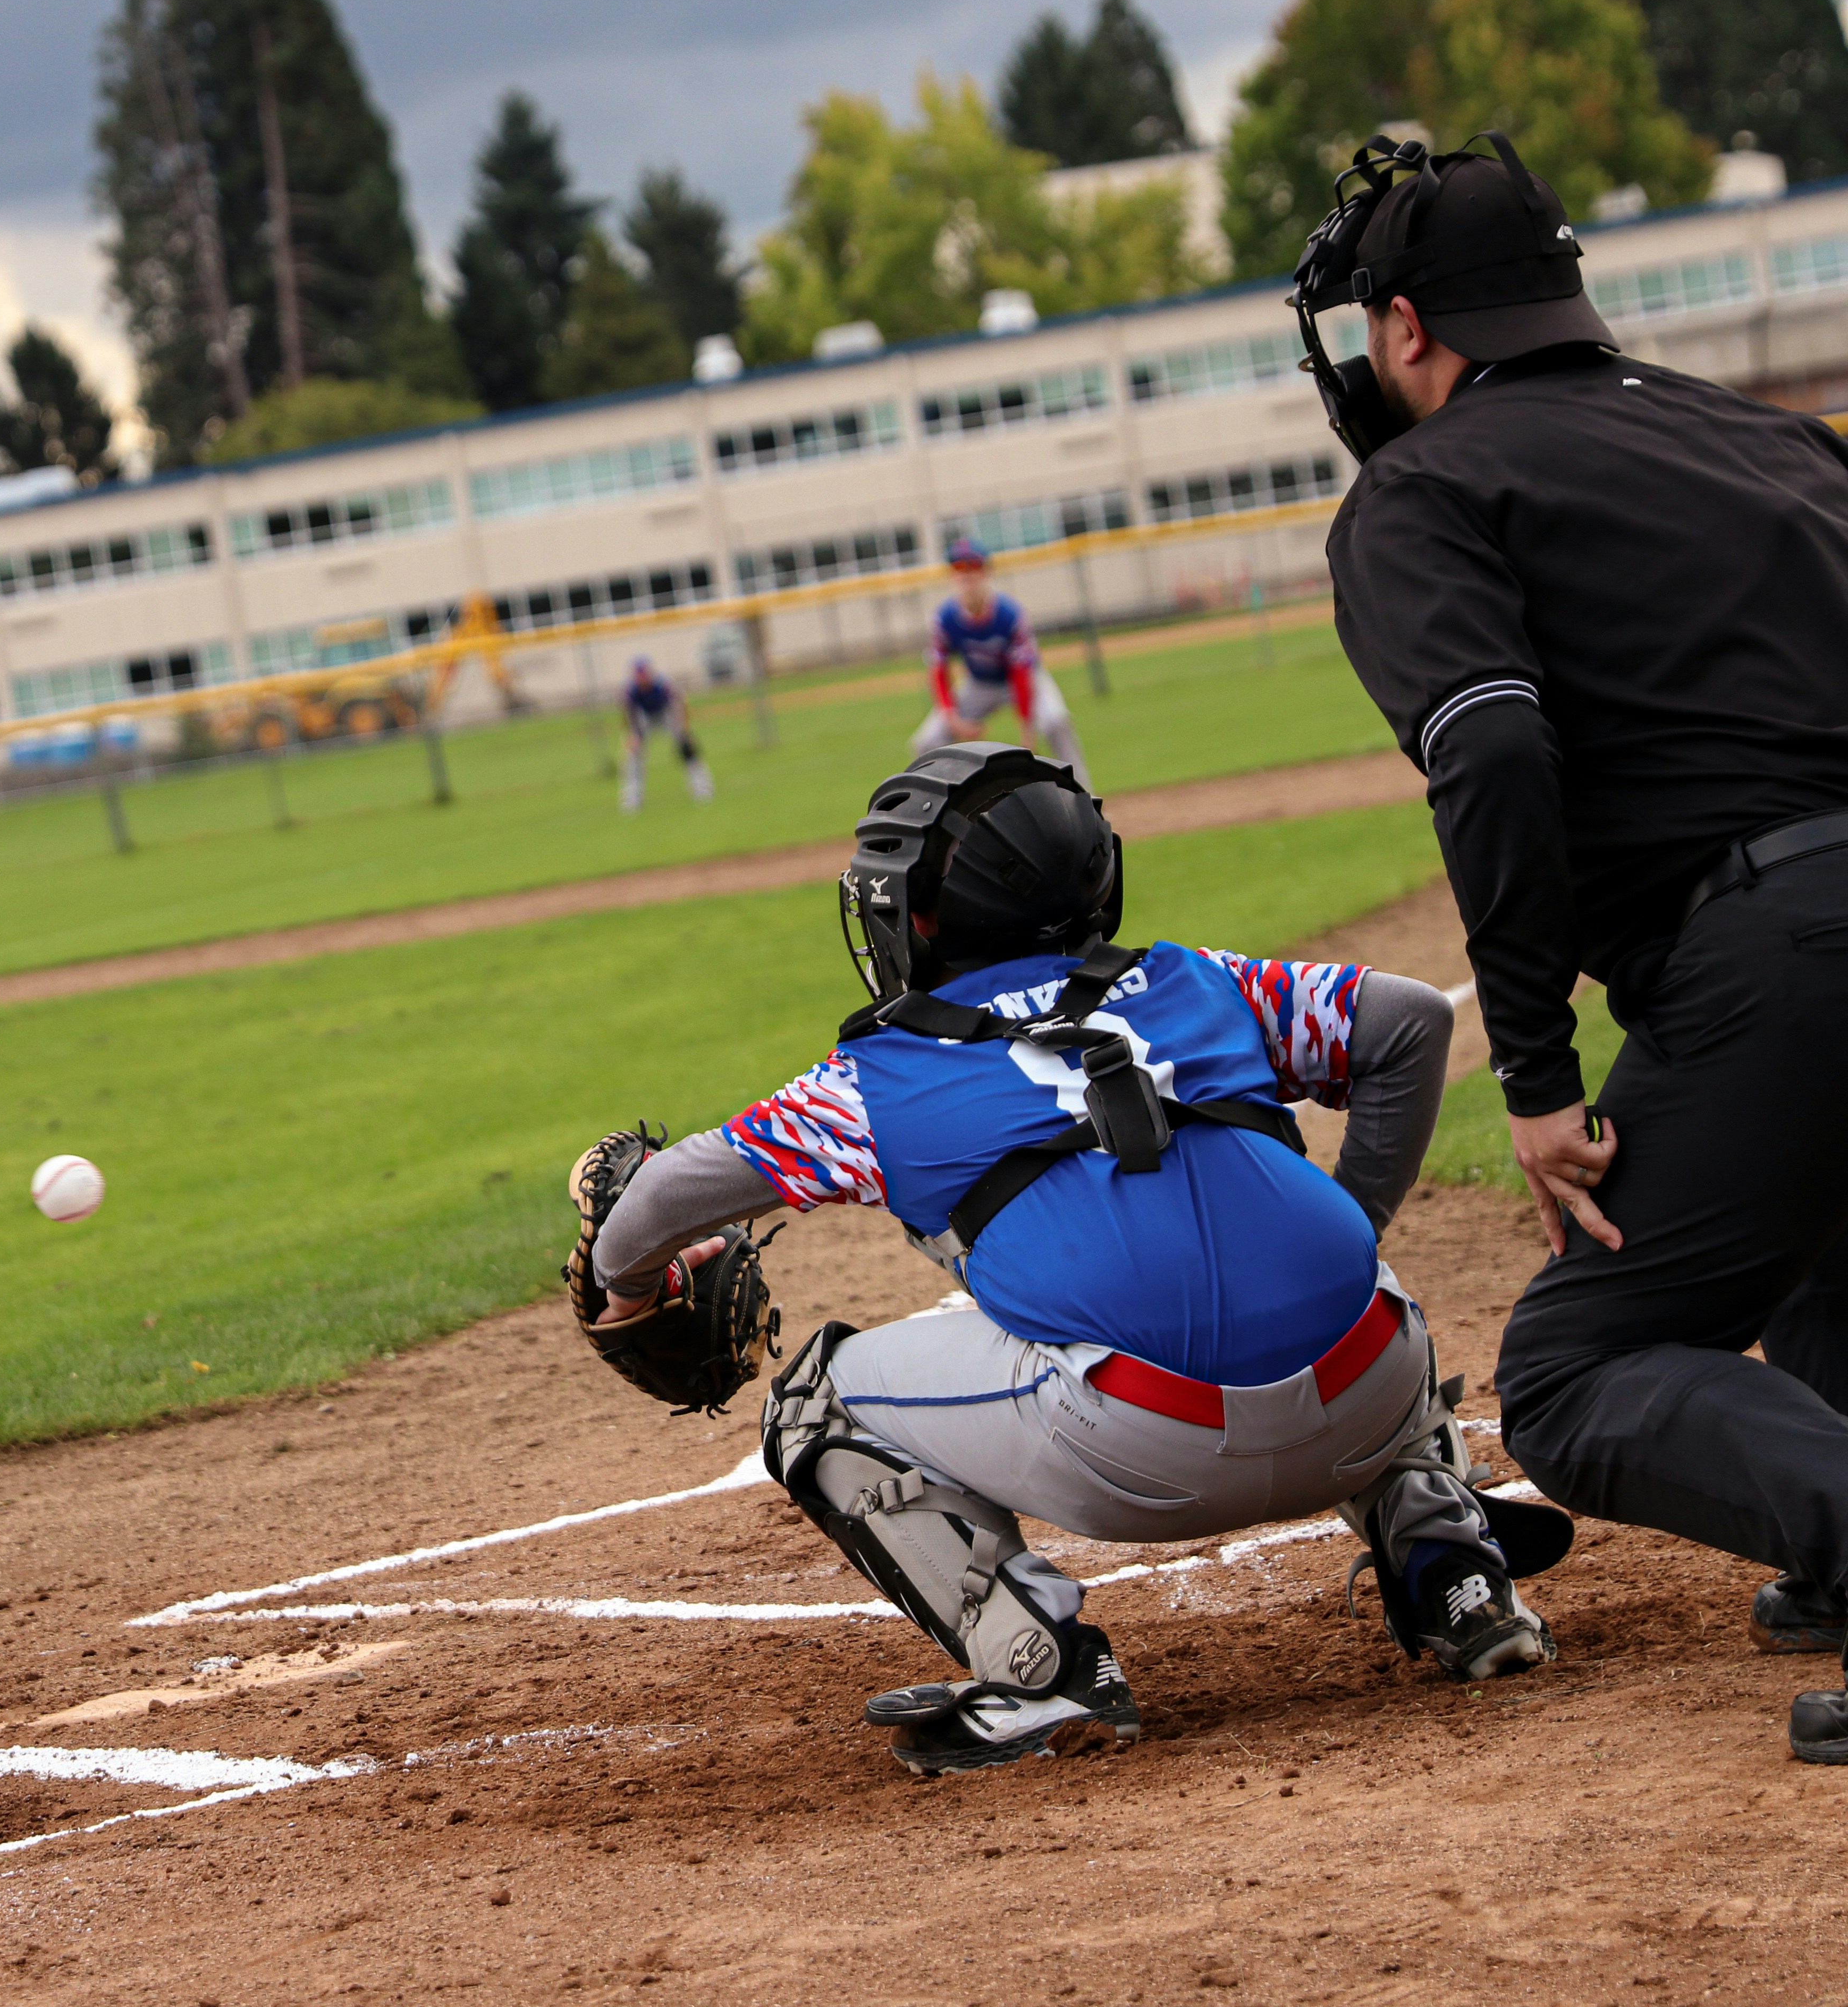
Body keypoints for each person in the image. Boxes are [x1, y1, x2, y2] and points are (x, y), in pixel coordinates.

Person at [559, 744, 1567, 1775]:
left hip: (1143, 1451)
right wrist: (1356, 1214)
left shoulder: (872, 1076)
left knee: (815, 1399)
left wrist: (624, 1282)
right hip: (1370, 1386)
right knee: (1348, 1272)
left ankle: (1041, 1666)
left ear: (919, 919)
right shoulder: (1201, 979)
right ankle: (1454, 1569)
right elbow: (1410, 1019)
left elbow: (655, 1202)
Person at [1308, 131, 1848, 1763]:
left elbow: (1487, 749)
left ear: (1406, 329)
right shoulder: (1773, 438)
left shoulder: (1424, 488)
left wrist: (1535, 1072)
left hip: (1778, 944)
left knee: (1571, 1368)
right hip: (1804, 947)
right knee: (1815, 1218)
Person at [913, 536, 1086, 783]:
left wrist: (1027, 729)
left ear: (987, 572)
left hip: (1025, 681)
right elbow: (939, 670)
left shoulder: (1009, 615)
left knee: (1055, 723)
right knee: (928, 741)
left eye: (973, 567)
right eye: (958, 568)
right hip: (979, 684)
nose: (966, 575)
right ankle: (943, 810)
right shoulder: (945, 618)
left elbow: (1021, 672)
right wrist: (952, 718)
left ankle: (1086, 802)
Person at [619, 656, 713, 811]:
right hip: (644, 717)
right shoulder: (631, 690)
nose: (642, 678)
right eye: (639, 675)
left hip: (666, 713)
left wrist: (684, 728)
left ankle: (702, 787)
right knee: (632, 754)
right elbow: (628, 713)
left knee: (687, 747)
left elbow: (680, 703)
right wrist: (632, 735)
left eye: (644, 674)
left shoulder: (663, 684)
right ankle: (632, 798)